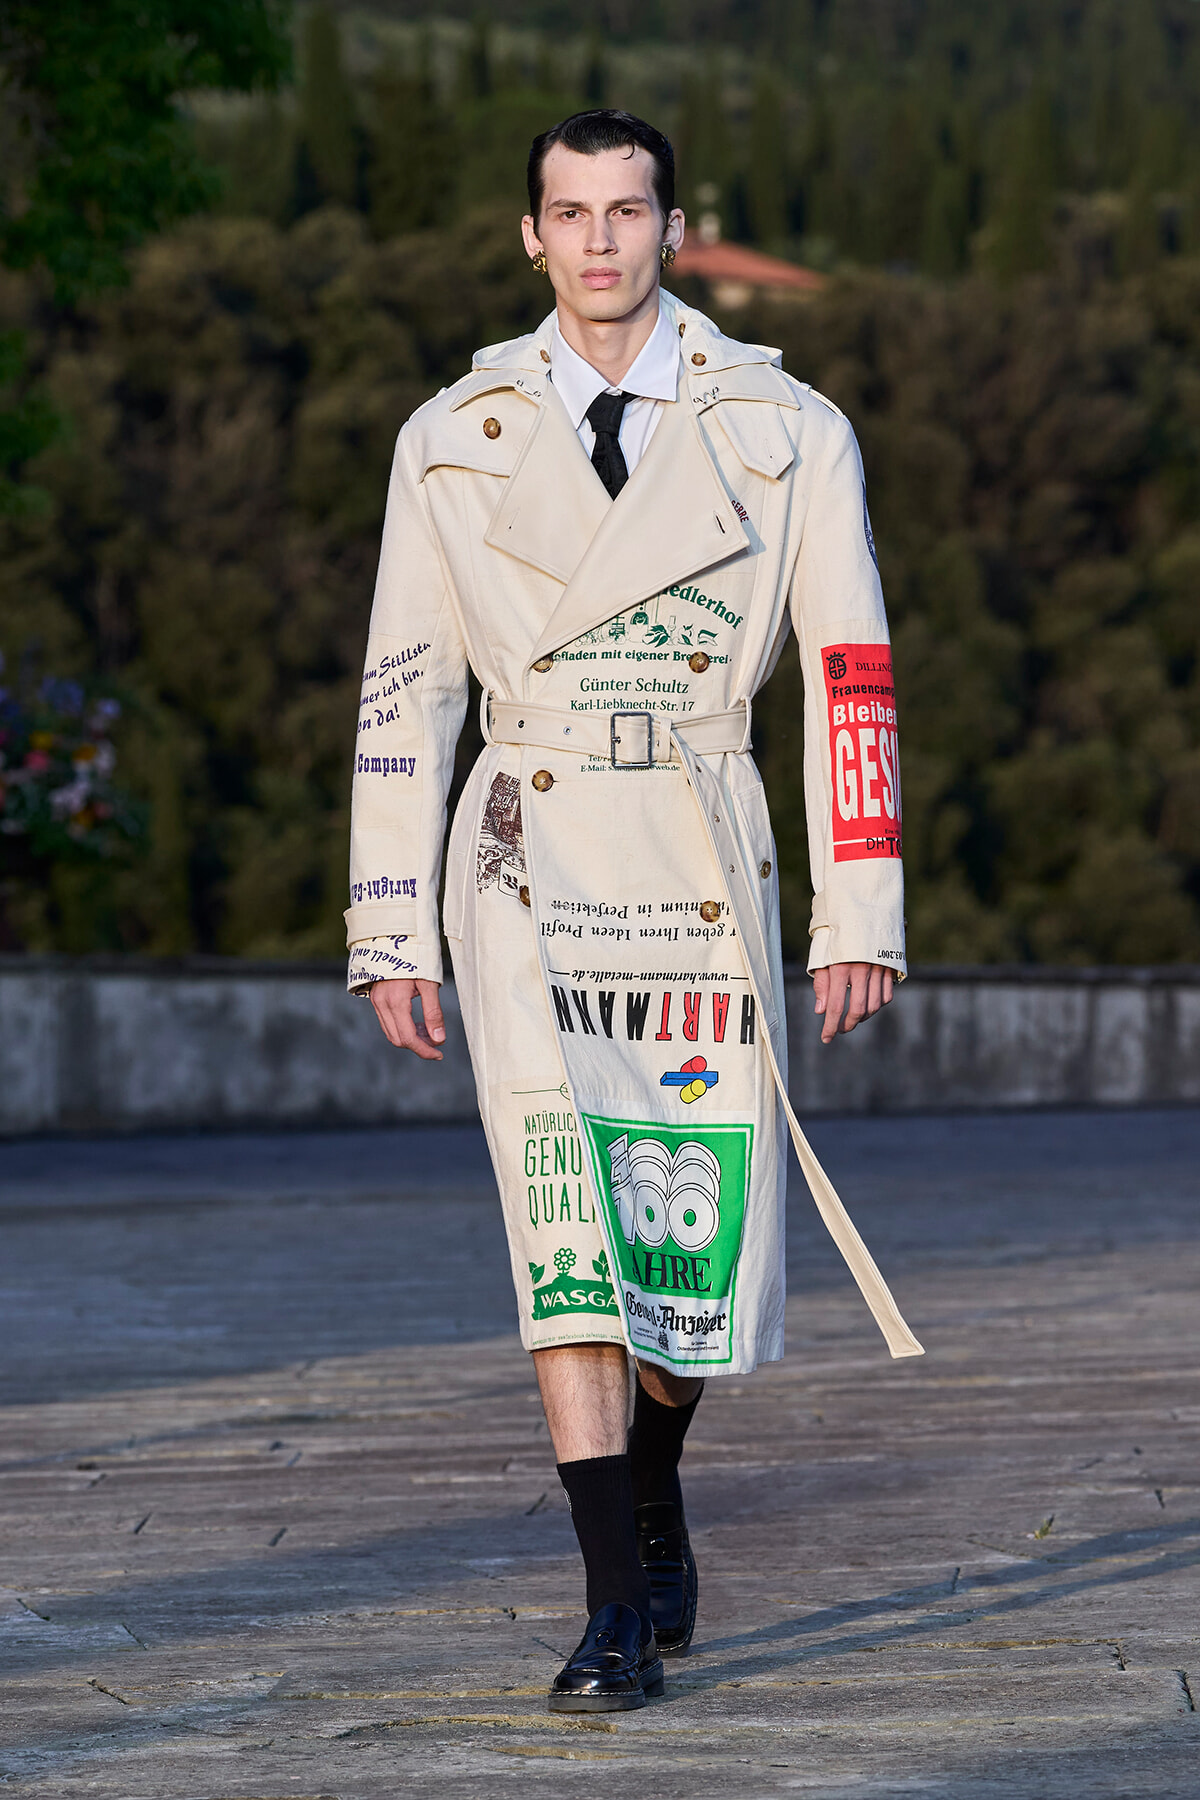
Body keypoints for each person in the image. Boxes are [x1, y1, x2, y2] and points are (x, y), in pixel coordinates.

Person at [346, 109, 921, 1714]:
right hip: (526, 849)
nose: (598, 240)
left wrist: (854, 906)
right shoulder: (451, 436)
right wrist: (390, 917)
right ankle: (611, 1599)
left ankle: (654, 1472)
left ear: (672, 229)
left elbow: (851, 671)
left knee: (693, 1238)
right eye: (568, 213)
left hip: (696, 847)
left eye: (627, 211)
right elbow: (409, 686)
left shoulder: (786, 428)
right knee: (563, 1217)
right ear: (529, 235)